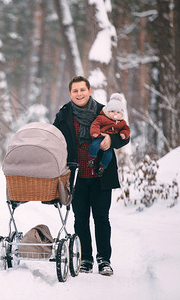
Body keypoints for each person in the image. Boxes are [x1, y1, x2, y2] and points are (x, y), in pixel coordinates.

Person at [53, 76, 130, 276]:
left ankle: (104, 260)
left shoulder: (105, 111)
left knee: (102, 218)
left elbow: (124, 134)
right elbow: (55, 140)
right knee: (80, 219)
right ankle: (85, 258)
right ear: (70, 94)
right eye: (75, 91)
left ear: (89, 91)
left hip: (101, 174)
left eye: (82, 90)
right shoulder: (63, 114)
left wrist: (111, 140)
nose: (79, 94)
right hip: (76, 175)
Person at [88, 93, 131, 177]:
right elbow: (95, 124)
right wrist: (95, 132)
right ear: (108, 111)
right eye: (112, 111)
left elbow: (126, 129)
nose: (115, 114)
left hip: (110, 143)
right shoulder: (102, 117)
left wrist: (123, 134)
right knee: (94, 145)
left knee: (109, 155)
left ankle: (102, 167)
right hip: (100, 136)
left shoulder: (122, 122)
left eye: (118, 112)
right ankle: (91, 159)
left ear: (121, 114)